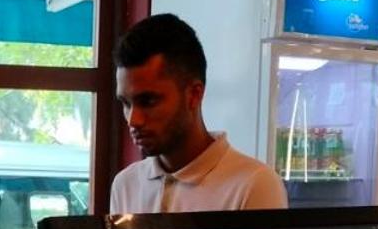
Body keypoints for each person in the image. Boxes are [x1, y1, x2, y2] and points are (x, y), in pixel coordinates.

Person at [108, 13, 287, 214]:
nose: (134, 120)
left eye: (148, 101)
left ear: (194, 94)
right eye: (126, 103)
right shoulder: (126, 185)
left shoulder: (254, 184)